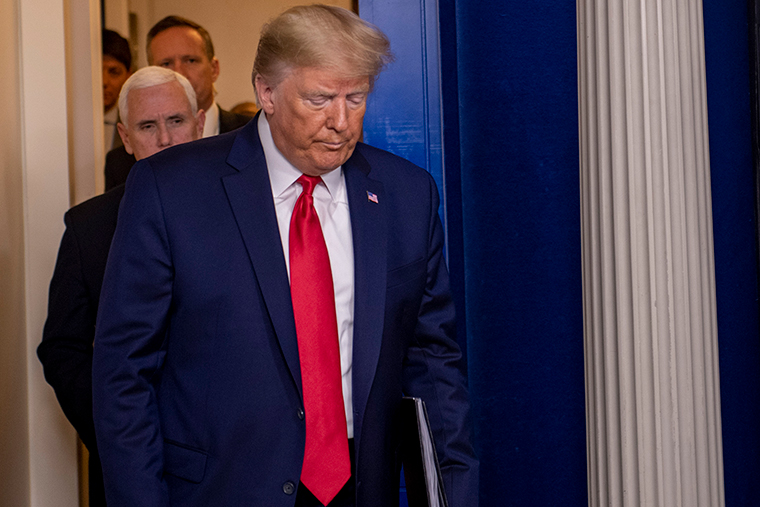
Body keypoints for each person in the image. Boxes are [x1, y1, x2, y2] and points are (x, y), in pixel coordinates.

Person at [92, 5, 478, 507]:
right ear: (266, 92)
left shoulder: (407, 197)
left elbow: (434, 366)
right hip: (221, 489)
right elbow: (124, 372)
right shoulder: (170, 191)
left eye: (355, 98)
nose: (340, 122)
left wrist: (457, 494)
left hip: (358, 490)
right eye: (319, 99)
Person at [37, 66, 204, 507]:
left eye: (176, 122)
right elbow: (61, 348)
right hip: (128, 465)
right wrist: (118, 428)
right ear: (126, 138)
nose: (165, 140)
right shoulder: (87, 227)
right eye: (148, 127)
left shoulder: (254, 211)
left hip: (233, 460)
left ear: (200, 124)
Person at [104, 15, 250, 190]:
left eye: (190, 60)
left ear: (214, 69)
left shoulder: (253, 135)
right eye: (166, 64)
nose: (179, 73)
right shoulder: (120, 163)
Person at [102, 29, 132, 153]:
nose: (104, 82)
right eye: (95, 72)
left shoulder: (134, 125)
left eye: (114, 72)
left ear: (128, 76)